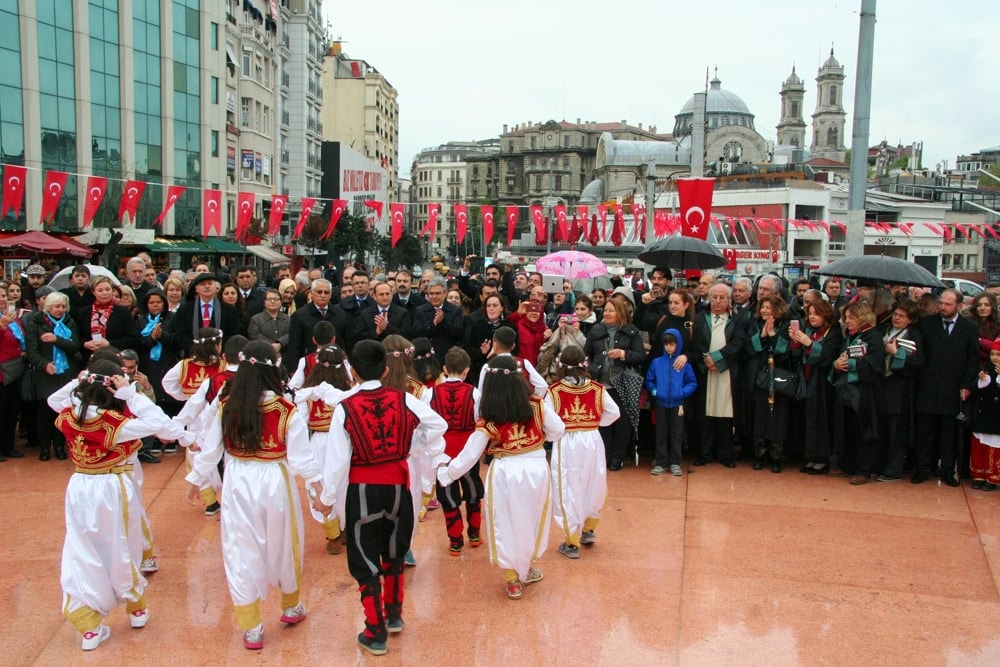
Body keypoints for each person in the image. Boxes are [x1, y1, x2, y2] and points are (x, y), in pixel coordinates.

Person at [185, 341, 326, 650]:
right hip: (275, 479)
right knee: (284, 543)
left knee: (239, 547)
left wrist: (195, 479)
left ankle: (251, 628)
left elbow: (211, 449)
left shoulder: (226, 406)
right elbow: (302, 459)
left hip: (237, 481)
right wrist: (319, 490)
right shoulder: (286, 410)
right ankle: (291, 606)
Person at [319, 340, 446, 656]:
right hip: (398, 487)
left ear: (353, 372)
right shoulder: (405, 399)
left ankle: (375, 631)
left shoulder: (345, 407)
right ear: (386, 370)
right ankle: (393, 615)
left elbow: (337, 461)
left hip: (362, 487)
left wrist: (327, 497)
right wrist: (413, 444)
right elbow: (438, 424)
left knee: (364, 556)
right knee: (394, 550)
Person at [50, 359, 186, 651]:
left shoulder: (69, 416)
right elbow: (159, 422)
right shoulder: (113, 424)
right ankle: (136, 607)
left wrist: (78, 381)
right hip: (112, 486)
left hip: (79, 486)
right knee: (121, 545)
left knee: (81, 549)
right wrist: (130, 394)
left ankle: (89, 625)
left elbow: (54, 400)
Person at [437, 355, 565, 600]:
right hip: (536, 467)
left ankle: (512, 579)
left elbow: (471, 454)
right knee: (532, 518)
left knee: (505, 522)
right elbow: (558, 430)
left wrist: (447, 473)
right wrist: (539, 439)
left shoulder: (490, 417)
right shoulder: (537, 405)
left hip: (504, 470)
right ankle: (526, 568)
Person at [548, 345, 619, 561]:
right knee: (593, 482)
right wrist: (595, 423)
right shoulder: (597, 389)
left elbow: (548, 421)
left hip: (567, 441)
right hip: (592, 440)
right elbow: (614, 412)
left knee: (568, 487)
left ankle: (572, 541)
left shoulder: (555, 391)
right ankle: (588, 528)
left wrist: (557, 433)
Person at [913, 289, 979, 486]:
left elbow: (973, 359)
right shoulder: (927, 324)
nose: (942, 307)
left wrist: (967, 385)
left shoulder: (969, 327)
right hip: (928, 386)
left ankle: (948, 471)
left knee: (949, 434)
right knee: (925, 432)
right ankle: (922, 469)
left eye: (948, 304)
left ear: (959, 305)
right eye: (941, 303)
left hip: (953, 389)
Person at [292, 345, 354, 554]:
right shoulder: (349, 391)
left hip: (318, 442)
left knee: (319, 485)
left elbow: (301, 424)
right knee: (344, 484)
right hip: (344, 443)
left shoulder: (307, 393)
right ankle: (344, 529)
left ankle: (333, 533)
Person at [427, 347, 481, 556]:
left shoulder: (431, 393)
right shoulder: (474, 392)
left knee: (447, 496)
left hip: (442, 453)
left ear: (444, 369)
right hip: (468, 452)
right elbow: (479, 420)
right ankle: (474, 534)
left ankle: (455, 541)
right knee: (473, 492)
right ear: (467, 370)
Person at [583, 296, 646, 471]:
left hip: (622, 383)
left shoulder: (631, 331)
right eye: (606, 310)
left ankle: (618, 457)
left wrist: (623, 354)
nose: (607, 313)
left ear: (620, 312)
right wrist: (591, 368)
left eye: (611, 310)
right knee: (603, 422)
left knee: (622, 421)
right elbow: (585, 355)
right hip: (600, 384)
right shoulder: (596, 330)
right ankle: (605, 455)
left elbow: (641, 356)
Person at [831, 302, 885, 484]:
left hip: (864, 392)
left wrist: (851, 364)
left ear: (862, 317)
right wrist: (837, 365)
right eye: (846, 318)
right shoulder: (849, 337)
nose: (847, 321)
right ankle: (850, 464)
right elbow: (840, 357)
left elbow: (875, 365)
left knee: (864, 430)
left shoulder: (873, 337)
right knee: (848, 429)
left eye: (851, 317)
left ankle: (864, 469)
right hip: (846, 391)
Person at [25, 291, 81, 461]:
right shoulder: (36, 323)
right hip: (46, 374)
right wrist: (44, 365)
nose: (60, 309)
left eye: (63, 306)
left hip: (66, 372)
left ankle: (59, 446)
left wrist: (56, 339)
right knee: (44, 413)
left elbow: (74, 346)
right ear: (48, 307)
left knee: (63, 411)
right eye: (57, 306)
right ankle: (44, 447)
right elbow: (32, 351)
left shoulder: (70, 322)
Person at [789, 300, 842, 474]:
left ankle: (822, 459)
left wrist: (810, 344)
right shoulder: (809, 330)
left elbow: (828, 356)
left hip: (823, 382)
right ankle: (811, 457)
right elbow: (797, 355)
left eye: (816, 313)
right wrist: (796, 342)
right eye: (810, 313)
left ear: (825, 314)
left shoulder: (833, 332)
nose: (812, 317)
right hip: (807, 378)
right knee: (808, 419)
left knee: (821, 420)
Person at [874, 299, 923, 481]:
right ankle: (878, 465)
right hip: (881, 384)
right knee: (881, 428)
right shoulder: (883, 330)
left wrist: (896, 353)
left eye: (902, 316)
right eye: (895, 314)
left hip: (899, 388)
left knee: (897, 430)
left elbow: (917, 362)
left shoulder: (913, 336)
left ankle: (893, 470)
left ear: (910, 319)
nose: (897, 318)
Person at [745, 295, 793, 473]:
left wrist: (772, 334)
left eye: (768, 308)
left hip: (779, 379)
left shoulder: (786, 326)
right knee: (759, 417)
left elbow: (785, 352)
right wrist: (762, 335)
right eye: (763, 307)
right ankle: (760, 454)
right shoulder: (754, 324)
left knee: (778, 418)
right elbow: (748, 348)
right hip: (760, 378)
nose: (764, 311)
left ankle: (776, 456)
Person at [645, 329, 697, 476]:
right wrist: (655, 392)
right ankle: (661, 462)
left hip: (678, 404)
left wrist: (682, 393)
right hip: (661, 403)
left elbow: (692, 382)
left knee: (677, 434)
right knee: (661, 433)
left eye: (672, 344)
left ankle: (675, 462)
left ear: (678, 344)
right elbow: (649, 380)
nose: (669, 347)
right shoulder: (656, 362)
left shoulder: (684, 364)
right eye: (666, 344)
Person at [75, 276, 140, 367]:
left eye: (107, 289)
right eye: (100, 290)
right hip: (90, 360)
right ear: (93, 292)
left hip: (116, 360)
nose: (104, 293)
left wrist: (109, 343)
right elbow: (78, 335)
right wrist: (85, 344)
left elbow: (133, 338)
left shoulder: (122, 312)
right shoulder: (84, 312)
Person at [169, 273, 240, 355]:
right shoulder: (185, 310)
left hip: (220, 355)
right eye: (203, 284)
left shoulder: (229, 310)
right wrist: (196, 349)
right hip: (192, 354)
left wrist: (217, 348)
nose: (207, 286)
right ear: (196, 289)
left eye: (210, 283)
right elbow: (180, 334)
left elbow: (233, 334)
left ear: (216, 287)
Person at [285, 279, 347, 371]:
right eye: (319, 292)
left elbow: (345, 341)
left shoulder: (340, 314)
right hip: (309, 365)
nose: (323, 295)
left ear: (330, 295)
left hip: (336, 365)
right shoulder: (299, 316)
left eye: (326, 292)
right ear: (312, 293)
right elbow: (294, 345)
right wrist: (293, 370)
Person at [411, 277, 463, 365]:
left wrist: (443, 322)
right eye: (431, 293)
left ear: (445, 293)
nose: (434, 296)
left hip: (448, 357)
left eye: (438, 293)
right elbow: (416, 333)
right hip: (426, 358)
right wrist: (433, 324)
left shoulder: (455, 310)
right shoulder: (420, 310)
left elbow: (459, 334)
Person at [464, 293, 516, 382]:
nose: (491, 308)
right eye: (488, 306)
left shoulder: (509, 326)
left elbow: (515, 349)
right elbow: (467, 350)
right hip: (482, 372)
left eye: (495, 305)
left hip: (505, 371)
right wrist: (481, 352)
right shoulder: (476, 326)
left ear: (502, 308)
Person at [971, 340, 1000, 491]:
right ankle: (979, 475)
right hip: (983, 414)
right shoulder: (986, 369)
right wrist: (981, 381)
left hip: (996, 417)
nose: (995, 357)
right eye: (993, 354)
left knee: (993, 449)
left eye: (998, 355)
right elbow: (976, 390)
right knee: (978, 447)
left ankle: (992, 478)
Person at [0, 289, 25, 461]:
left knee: (11, 411)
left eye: (2, 295)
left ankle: (8, 446)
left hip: (14, 371)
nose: (1, 299)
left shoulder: (12, 317)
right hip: (1, 372)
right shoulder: (5, 320)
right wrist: (1, 326)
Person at [247, 289, 290, 356]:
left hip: (285, 355)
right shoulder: (256, 319)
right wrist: (272, 346)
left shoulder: (288, 319)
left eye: (276, 299)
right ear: (264, 302)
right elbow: (254, 335)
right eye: (269, 299)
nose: (273, 301)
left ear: (281, 302)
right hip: (262, 355)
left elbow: (292, 334)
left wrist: (280, 344)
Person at [968, 292, 1000, 365]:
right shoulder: (968, 324)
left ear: (993, 307)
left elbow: (996, 348)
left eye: (987, 305)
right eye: (979, 305)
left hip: (993, 366)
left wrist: (979, 340)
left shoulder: (998, 325)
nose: (982, 308)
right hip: (971, 364)